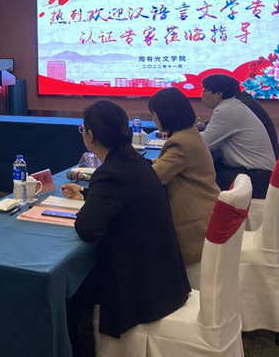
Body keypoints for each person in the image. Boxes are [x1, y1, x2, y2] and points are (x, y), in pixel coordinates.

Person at [61, 100, 190, 356]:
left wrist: (89, 203)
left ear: (90, 135)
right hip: (164, 275)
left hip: (139, 286)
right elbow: (124, 200)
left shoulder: (111, 172)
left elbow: (87, 229)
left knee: (69, 291)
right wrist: (88, 195)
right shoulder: (135, 161)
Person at [148, 87, 220, 279]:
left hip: (195, 228)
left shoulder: (179, 143)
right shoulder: (189, 134)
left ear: (166, 115)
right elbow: (164, 165)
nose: (153, 119)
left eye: (154, 114)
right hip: (208, 213)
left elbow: (152, 179)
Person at [200, 74, 275, 197]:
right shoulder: (233, 105)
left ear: (218, 94)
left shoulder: (226, 110)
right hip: (256, 174)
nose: (202, 94)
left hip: (255, 178)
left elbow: (203, 143)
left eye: (205, 90)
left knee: (199, 180)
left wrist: (179, 136)